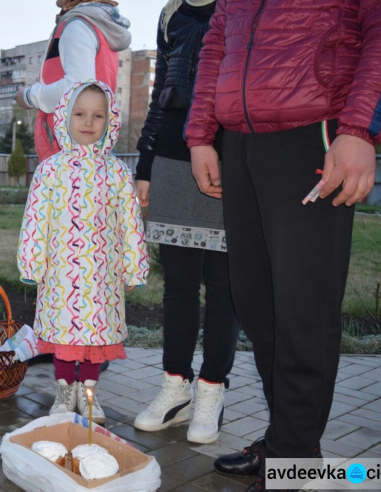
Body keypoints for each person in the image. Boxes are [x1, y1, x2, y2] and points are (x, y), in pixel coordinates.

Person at [184, 0, 381, 492]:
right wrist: (200, 134)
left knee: (303, 308)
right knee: (257, 304)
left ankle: (297, 459)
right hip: (240, 139)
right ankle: (286, 441)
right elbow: (217, 35)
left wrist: (357, 130)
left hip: (314, 134)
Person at [132, 0, 239, 445]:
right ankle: (175, 388)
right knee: (177, 284)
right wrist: (145, 162)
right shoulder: (170, 13)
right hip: (173, 158)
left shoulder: (240, 6)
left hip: (228, 153)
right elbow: (161, 94)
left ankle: (211, 391)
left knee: (223, 285)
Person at [18, 80, 149, 423]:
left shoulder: (117, 172)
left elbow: (131, 223)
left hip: (102, 275)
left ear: (110, 121)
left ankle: (88, 392)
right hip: (60, 272)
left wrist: (134, 268)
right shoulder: (51, 170)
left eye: (97, 115)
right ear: (64, 116)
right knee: (64, 333)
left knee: (94, 336)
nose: (88, 122)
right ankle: (65, 390)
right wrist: (31, 262)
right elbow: (36, 217)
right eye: (80, 114)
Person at [15, 0, 131, 162]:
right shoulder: (98, 25)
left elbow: (78, 87)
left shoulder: (78, 26)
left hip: (70, 148)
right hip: (92, 144)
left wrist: (30, 96)